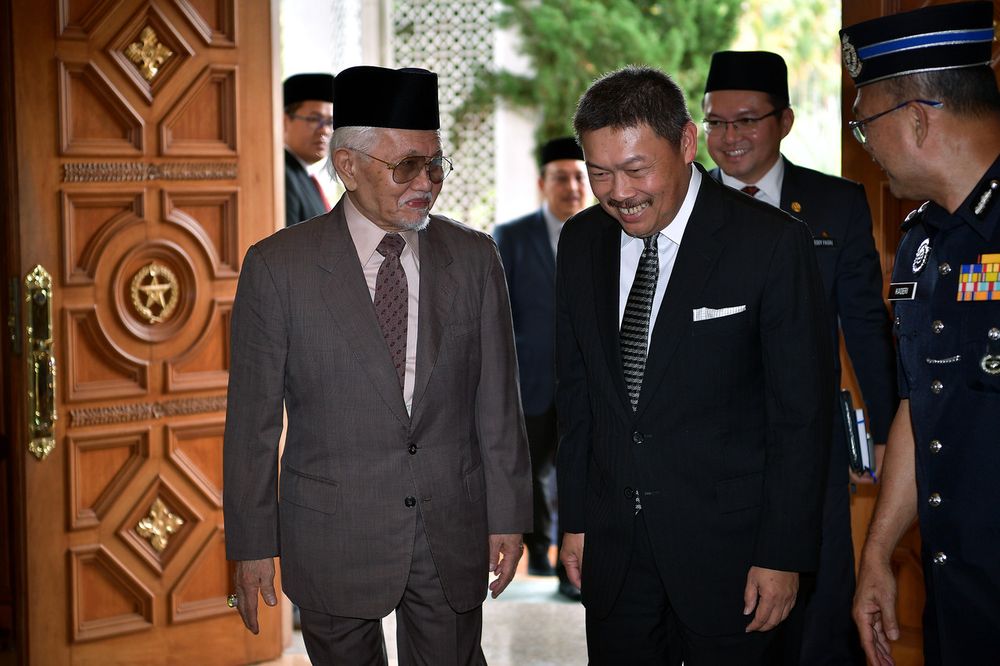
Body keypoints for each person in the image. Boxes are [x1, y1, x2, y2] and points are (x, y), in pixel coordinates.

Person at [223, 65, 533, 664]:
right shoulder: (279, 267)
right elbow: (252, 422)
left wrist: (509, 515)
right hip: (333, 526)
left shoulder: (473, 258)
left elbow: (498, 401)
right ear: (347, 165)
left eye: (435, 164)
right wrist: (253, 541)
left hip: (452, 522)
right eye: (407, 166)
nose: (427, 183)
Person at [556, 65, 834, 664]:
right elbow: (577, 394)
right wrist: (575, 519)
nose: (619, 193)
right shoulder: (581, 242)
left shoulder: (771, 243)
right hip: (615, 551)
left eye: (636, 169)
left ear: (686, 143)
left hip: (731, 558)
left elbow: (801, 417)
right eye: (599, 173)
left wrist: (783, 554)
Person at [702, 50, 898, 665]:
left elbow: (865, 323)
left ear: (784, 122)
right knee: (721, 608)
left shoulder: (836, 204)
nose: (729, 138)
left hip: (809, 440)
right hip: (710, 445)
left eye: (746, 121)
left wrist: (891, 431)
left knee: (818, 606)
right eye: (715, 123)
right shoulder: (684, 205)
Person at [840, 3, 1000, 664]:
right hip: (959, 600)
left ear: (915, 118)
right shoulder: (921, 245)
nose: (862, 143)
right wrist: (879, 550)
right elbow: (919, 399)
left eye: (864, 122)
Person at [493, 136, 588, 600]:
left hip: (586, 383)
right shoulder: (512, 237)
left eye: (579, 177)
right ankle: (540, 549)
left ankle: (575, 561)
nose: (572, 187)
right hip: (529, 381)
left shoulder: (605, 231)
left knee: (578, 468)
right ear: (542, 183)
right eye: (561, 177)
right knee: (531, 471)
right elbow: (497, 314)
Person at [282, 72, 335, 227]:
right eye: (314, 119)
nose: (324, 130)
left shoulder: (301, 175)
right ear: (285, 121)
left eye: (330, 122)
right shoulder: (283, 176)